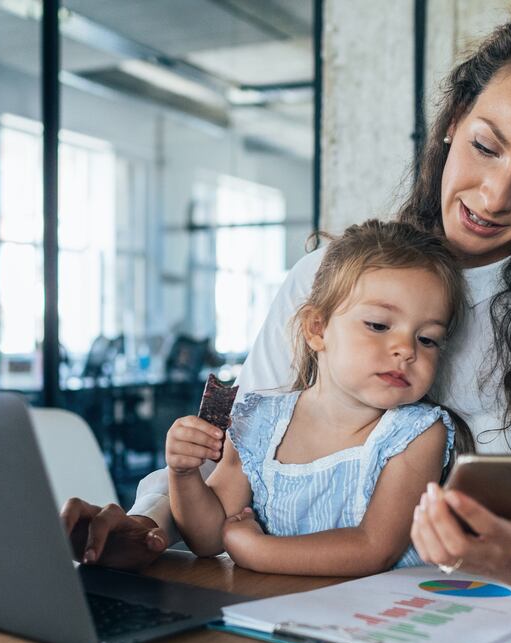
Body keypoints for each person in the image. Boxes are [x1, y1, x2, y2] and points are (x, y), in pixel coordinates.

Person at [60, 4, 511, 595]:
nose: (494, 197)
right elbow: (234, 459)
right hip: (289, 612)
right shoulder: (325, 279)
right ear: (452, 123)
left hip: (469, 623)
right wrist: (146, 529)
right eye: (485, 147)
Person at [168, 222, 465, 576]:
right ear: (317, 329)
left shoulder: (415, 434)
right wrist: (183, 474)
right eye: (379, 325)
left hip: (377, 618)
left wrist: (257, 550)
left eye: (428, 339)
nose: (406, 350)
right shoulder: (258, 424)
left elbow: (375, 548)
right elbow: (209, 538)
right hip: (274, 613)